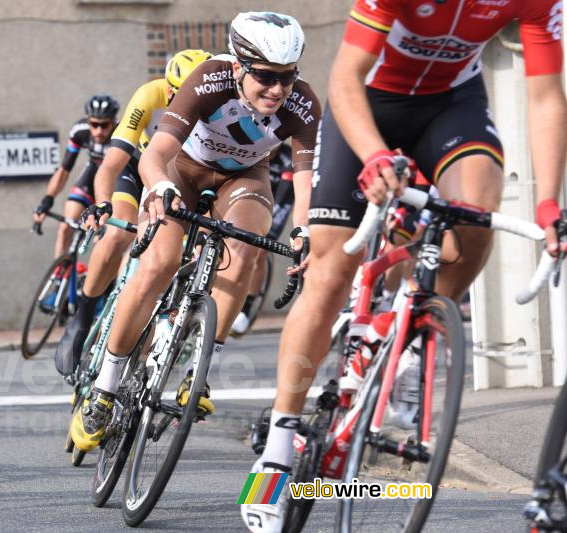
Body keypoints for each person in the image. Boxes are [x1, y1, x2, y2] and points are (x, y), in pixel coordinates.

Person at [243, 1, 567, 530]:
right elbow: (345, 76)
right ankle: (278, 450)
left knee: (475, 214)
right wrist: (372, 157)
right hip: (367, 104)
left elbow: (547, 95)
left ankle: (410, 341)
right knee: (329, 273)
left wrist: (550, 202)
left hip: (451, 106)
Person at [70, 12, 321, 454]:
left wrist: (304, 230)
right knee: (160, 263)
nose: (278, 89)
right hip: (180, 171)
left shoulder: (302, 105)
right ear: (239, 65)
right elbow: (156, 155)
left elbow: (304, 185)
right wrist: (162, 189)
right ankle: (104, 392)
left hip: (244, 178)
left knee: (246, 251)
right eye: (264, 76)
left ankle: (198, 373)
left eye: (287, 77)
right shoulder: (210, 80)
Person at [53, 49, 211, 376]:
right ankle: (82, 319)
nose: (187, 103)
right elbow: (109, 164)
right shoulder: (149, 96)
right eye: (179, 94)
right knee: (117, 234)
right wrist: (102, 203)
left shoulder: (216, 108)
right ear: (168, 90)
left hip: (181, 181)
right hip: (138, 170)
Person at [31, 94, 119, 259]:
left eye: (104, 125)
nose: (99, 131)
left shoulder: (121, 134)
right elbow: (64, 169)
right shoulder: (80, 131)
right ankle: (59, 278)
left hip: (115, 180)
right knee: (66, 227)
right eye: (94, 124)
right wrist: (47, 200)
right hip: (92, 172)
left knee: (105, 239)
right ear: (88, 122)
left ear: (113, 122)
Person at [230, 142, 295, 336]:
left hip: (277, 204)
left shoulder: (286, 158)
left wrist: (267, 227)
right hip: (249, 201)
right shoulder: (253, 148)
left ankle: (246, 309)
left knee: (259, 249)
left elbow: (285, 193)